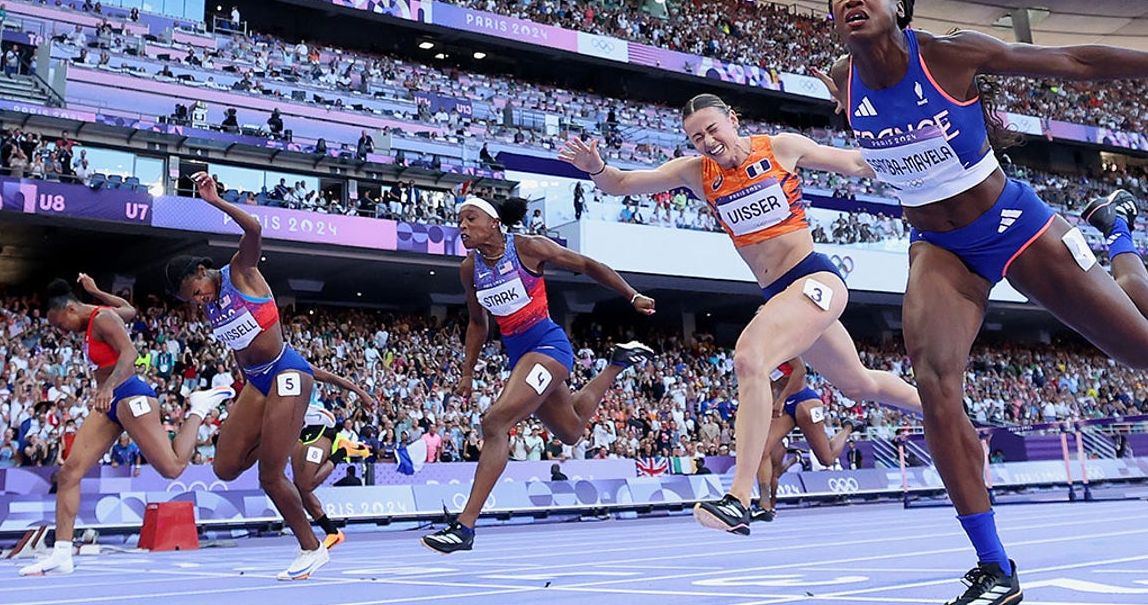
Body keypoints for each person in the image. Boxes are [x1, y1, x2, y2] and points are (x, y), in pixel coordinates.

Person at [814, 0, 1148, 605]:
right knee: (936, 385)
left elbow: (1077, 61)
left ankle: (1118, 231)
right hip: (939, 248)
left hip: (1013, 224)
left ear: (898, 3)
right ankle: (995, 567)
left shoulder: (948, 56)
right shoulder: (841, 81)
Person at [560, 95, 922, 537]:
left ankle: (739, 497)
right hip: (781, 294)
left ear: (734, 120)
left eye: (713, 129)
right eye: (696, 137)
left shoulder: (781, 147)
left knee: (750, 358)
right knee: (858, 384)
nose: (708, 141)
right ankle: (940, 406)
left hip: (816, 280)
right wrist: (596, 167)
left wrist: (911, 142)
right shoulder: (695, 172)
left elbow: (854, 163)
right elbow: (621, 183)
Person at [421, 196, 656, 553]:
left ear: (494, 223)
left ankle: (464, 526)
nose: (462, 227)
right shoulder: (470, 269)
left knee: (494, 423)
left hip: (549, 347)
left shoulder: (528, 248)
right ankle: (616, 364)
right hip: (521, 357)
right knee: (571, 431)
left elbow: (588, 264)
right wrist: (467, 373)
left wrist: (632, 294)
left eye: (470, 219)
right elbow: (476, 322)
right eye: (459, 222)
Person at [165, 172, 329, 580]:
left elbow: (254, 228)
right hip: (257, 383)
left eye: (198, 289)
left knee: (270, 475)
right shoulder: (207, 304)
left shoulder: (240, 271)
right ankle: (287, 424)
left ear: (204, 269)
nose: (200, 299)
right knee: (224, 467)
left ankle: (311, 548)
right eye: (193, 301)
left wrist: (214, 201)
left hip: (286, 372)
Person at [21, 275, 233, 575]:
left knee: (171, 468)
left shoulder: (102, 319)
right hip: (109, 405)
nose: (60, 331)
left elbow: (130, 353)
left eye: (58, 324)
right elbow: (130, 311)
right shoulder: (95, 317)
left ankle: (198, 409)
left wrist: (107, 386)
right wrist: (95, 290)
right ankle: (62, 553)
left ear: (69, 309)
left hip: (130, 394)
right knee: (69, 472)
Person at [751, 358, 856, 522]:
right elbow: (772, 385)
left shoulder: (783, 345)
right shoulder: (762, 356)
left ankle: (848, 427)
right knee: (762, 450)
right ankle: (764, 505)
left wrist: (781, 400)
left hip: (805, 401)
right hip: (786, 407)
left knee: (826, 459)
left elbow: (801, 371)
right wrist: (772, 404)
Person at [292, 368, 375, 551]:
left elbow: (334, 378)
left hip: (318, 425)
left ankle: (342, 452)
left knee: (305, 485)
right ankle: (332, 532)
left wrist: (362, 394)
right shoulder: (259, 371)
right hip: (296, 431)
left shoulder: (293, 363)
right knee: (299, 489)